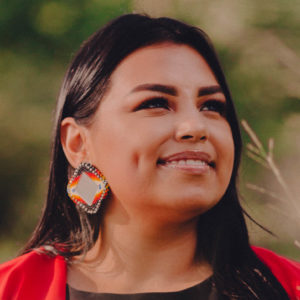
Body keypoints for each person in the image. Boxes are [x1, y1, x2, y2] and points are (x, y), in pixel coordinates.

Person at [0, 13, 299, 300]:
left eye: (212, 106)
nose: (196, 126)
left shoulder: (289, 287)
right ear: (78, 144)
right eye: (155, 103)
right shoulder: (11, 289)